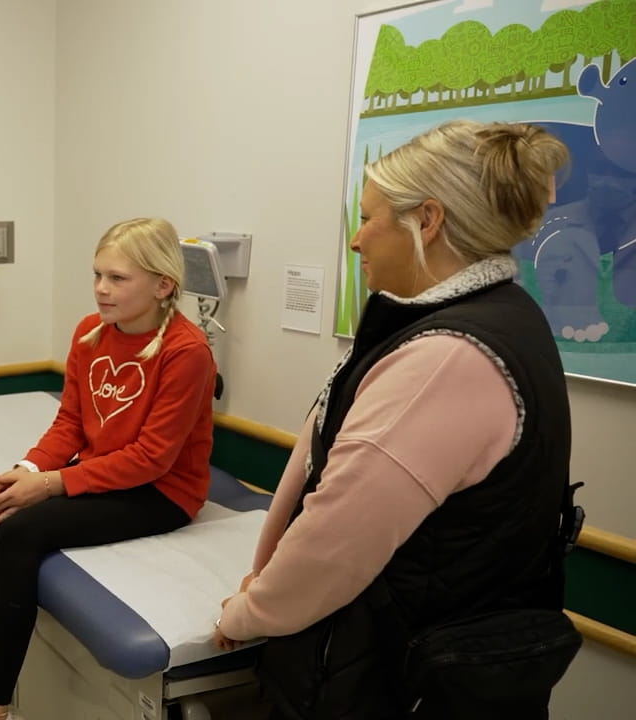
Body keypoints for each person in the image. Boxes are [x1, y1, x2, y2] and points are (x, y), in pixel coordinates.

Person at [212, 121, 579, 719]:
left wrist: (250, 612)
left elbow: (335, 539)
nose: (356, 241)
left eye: (367, 218)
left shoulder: (446, 360)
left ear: (427, 221)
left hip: (393, 678)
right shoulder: (502, 317)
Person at [0, 218, 218, 720]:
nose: (102, 289)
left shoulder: (187, 352)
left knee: (21, 532)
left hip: (164, 493)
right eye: (97, 274)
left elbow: (152, 458)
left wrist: (48, 485)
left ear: (163, 284)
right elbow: (71, 424)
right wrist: (23, 471)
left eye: (118, 278)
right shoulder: (89, 333)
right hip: (106, 474)